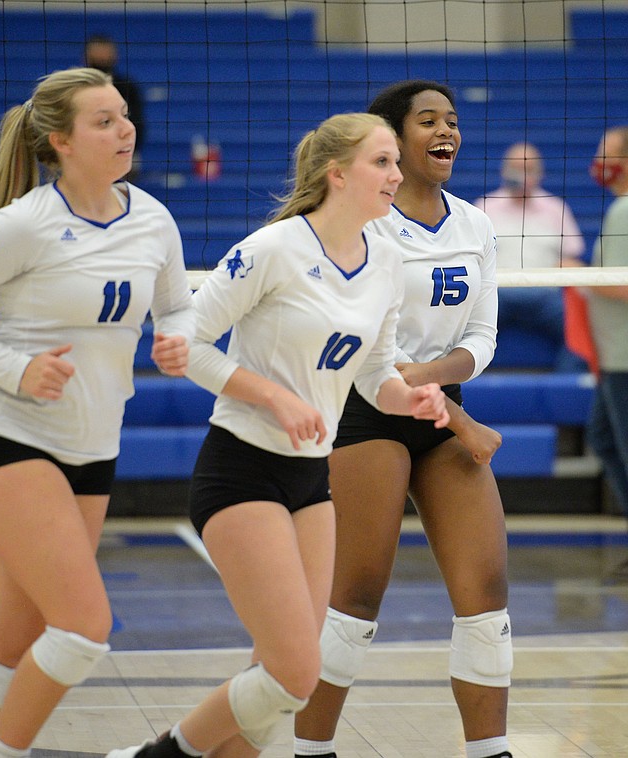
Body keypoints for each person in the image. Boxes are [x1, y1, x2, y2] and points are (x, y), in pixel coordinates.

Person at [107, 113, 450, 758]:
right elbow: (185, 344)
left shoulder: (387, 260)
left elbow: (376, 374)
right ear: (337, 173)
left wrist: (413, 397)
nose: (398, 175)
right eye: (382, 162)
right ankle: (159, 756)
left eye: (397, 164)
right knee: (297, 670)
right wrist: (272, 395)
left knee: (284, 672)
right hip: (241, 471)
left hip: (309, 479)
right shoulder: (273, 250)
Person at [0, 67, 195, 758]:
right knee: (83, 627)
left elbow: (177, 303)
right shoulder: (23, 225)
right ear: (60, 141)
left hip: (93, 447)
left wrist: (176, 337)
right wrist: (17, 368)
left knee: (6, 656)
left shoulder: (153, 216)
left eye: (124, 115)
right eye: (104, 121)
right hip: (9, 439)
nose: (124, 129)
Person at [293, 80, 513, 758]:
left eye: (452, 120)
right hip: (365, 417)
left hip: (439, 411)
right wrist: (422, 393)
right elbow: (357, 353)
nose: (446, 131)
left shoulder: (474, 225)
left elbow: (482, 338)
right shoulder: (363, 223)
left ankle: (489, 750)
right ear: (391, 140)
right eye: (428, 121)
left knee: (488, 593)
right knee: (356, 594)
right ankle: (310, 749)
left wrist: (429, 386)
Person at [475, 142, 587, 372]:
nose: (522, 174)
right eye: (516, 167)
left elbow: (572, 258)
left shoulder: (556, 208)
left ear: (540, 173)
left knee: (579, 331)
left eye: (529, 167)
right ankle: (470, 390)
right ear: (504, 170)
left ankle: (563, 392)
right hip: (498, 294)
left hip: (545, 293)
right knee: (465, 330)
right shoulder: (484, 207)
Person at [584, 125, 628, 578]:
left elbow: (620, 284)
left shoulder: (623, 211)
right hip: (613, 355)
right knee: (604, 438)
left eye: (606, 153)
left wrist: (577, 274)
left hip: (624, 358)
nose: (597, 160)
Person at [85, 34, 146, 177]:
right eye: (97, 53)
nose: (101, 57)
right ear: (86, 56)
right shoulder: (77, 88)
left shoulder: (127, 87)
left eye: (104, 53)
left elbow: (138, 124)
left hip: (120, 150)